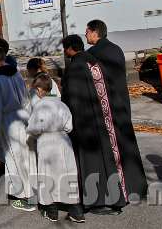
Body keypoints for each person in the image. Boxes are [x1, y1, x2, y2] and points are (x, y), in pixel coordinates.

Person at [62, 34, 140, 213]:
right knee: (109, 158)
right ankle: (118, 196)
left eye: (65, 48)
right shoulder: (94, 62)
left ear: (69, 48)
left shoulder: (75, 68)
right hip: (105, 117)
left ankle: (97, 200)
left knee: (92, 163)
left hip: (86, 123)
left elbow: (72, 99)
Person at [85, 20, 148, 206]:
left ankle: (120, 191)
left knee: (113, 151)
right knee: (126, 146)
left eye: (87, 31)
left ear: (95, 32)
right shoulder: (116, 49)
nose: (85, 34)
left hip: (106, 108)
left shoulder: (93, 54)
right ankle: (137, 186)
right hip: (121, 104)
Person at [27, 73, 84, 223]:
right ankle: (76, 210)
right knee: (68, 172)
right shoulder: (61, 104)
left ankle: (51, 210)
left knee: (48, 174)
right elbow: (69, 126)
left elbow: (33, 128)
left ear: (39, 89)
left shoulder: (39, 106)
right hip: (63, 140)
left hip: (46, 141)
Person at [0, 46, 33, 211]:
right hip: (22, 116)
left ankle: (23, 197)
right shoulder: (16, 73)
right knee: (25, 156)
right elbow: (26, 97)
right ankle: (31, 190)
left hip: (8, 121)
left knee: (14, 157)